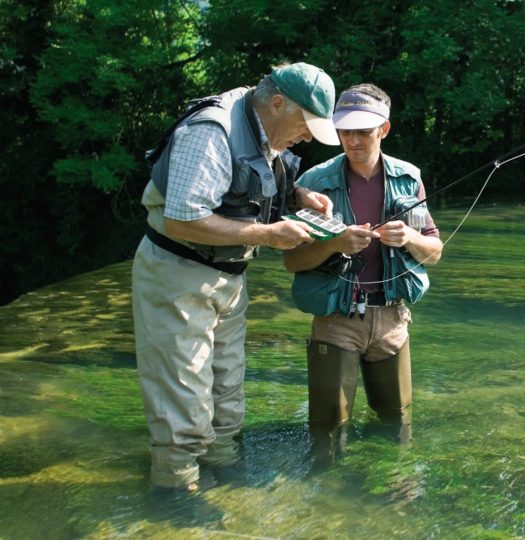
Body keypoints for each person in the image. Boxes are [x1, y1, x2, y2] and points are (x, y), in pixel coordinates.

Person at [132, 62, 340, 492]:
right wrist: (269, 234)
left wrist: (298, 195)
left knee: (227, 388)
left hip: (229, 275)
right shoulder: (211, 131)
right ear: (279, 103)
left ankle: (224, 466)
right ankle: (175, 490)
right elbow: (183, 219)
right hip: (179, 273)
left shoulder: (266, 121)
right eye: (306, 126)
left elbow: (259, 180)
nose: (307, 138)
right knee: (183, 390)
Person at [284, 83, 442, 465]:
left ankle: (388, 499)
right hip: (336, 319)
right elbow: (293, 263)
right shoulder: (312, 183)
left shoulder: (408, 178)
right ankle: (328, 502)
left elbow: (435, 253)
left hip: (391, 319)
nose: (352, 140)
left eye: (362, 131)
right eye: (344, 131)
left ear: (383, 130)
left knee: (396, 424)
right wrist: (333, 243)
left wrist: (409, 238)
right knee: (327, 429)